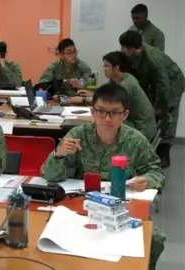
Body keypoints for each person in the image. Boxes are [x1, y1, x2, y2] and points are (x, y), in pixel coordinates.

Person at [40, 84, 165, 270]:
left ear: (125, 115)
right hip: (82, 205)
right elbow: (48, 175)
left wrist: (147, 180)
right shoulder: (77, 135)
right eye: (101, 112)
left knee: (153, 238)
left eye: (114, 113)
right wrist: (58, 154)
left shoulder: (136, 140)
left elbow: (156, 172)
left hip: (122, 206)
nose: (107, 119)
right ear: (93, 112)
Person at [119, 30, 184, 168]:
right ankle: (151, 152)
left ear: (133, 48)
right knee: (153, 114)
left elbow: (163, 84)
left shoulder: (154, 58)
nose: (122, 49)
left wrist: (160, 106)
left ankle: (164, 154)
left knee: (167, 117)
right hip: (155, 83)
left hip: (173, 83)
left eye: (124, 47)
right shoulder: (134, 53)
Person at [71, 51, 157, 140]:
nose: (104, 69)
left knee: (102, 125)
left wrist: (83, 100)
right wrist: (92, 95)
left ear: (116, 68)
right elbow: (107, 96)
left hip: (141, 126)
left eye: (106, 66)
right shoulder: (115, 79)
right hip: (130, 120)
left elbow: (110, 103)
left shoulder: (127, 83)